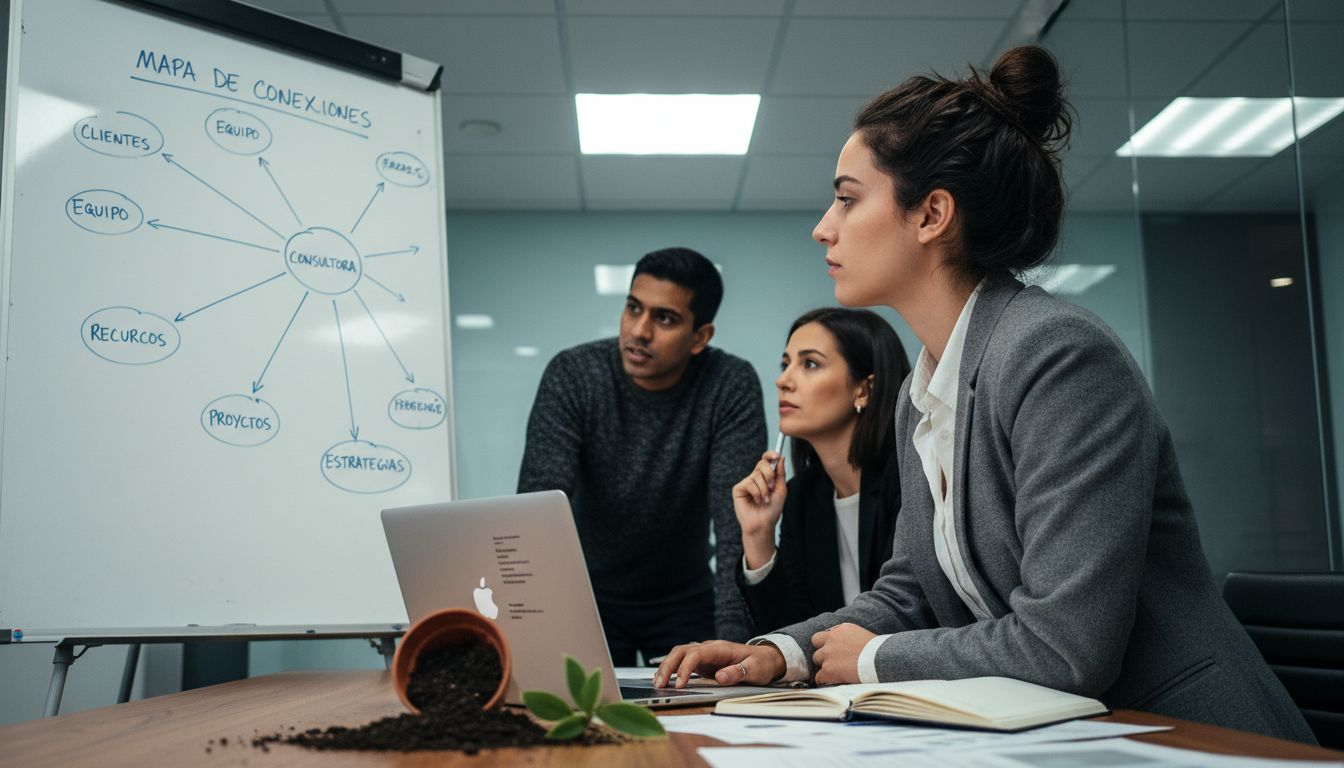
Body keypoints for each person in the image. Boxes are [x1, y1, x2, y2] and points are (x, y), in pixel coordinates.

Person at [654, 46, 1315, 743]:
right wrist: (778, 654)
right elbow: (911, 592)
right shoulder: (923, 390)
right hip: (1076, 738)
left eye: (848, 198)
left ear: (932, 214)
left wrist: (874, 659)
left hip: (1194, 738)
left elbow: (1065, 647)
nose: (825, 225)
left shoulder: (1058, 355)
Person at [518, 247, 766, 665]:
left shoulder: (730, 384)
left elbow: (734, 527)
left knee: (703, 711)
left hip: (684, 599)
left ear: (701, 337)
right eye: (633, 308)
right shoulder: (574, 375)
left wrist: (734, 654)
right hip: (584, 596)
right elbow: (537, 512)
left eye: (664, 318)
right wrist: (533, 630)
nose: (639, 331)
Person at [734, 308, 910, 635]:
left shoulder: (907, 479)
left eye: (810, 364)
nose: (783, 380)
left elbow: (910, 616)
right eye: (786, 364)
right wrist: (758, 536)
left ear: (864, 390)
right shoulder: (803, 495)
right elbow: (787, 638)